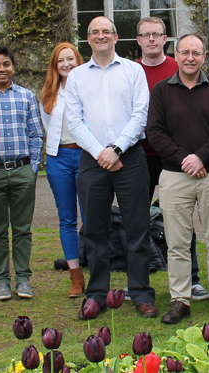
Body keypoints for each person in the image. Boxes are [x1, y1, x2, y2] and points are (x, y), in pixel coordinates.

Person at [65, 16, 158, 318]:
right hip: (92, 160)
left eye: (106, 31)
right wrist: (99, 152)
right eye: (95, 32)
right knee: (94, 229)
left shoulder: (133, 71)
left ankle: (141, 293)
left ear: (116, 37)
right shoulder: (77, 76)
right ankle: (96, 295)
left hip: (129, 158)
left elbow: (140, 113)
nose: (101, 36)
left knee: (137, 228)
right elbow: (75, 120)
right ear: (88, 39)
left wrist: (117, 149)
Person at [147, 34, 209, 324]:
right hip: (175, 177)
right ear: (177, 55)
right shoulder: (162, 90)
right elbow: (155, 132)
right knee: (176, 242)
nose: (191, 57)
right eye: (185, 52)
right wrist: (185, 160)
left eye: (196, 53)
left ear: (205, 56)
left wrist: (201, 157)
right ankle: (180, 299)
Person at [135, 16, 209, 301]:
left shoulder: (178, 66)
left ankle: (191, 279)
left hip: (176, 159)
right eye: (146, 35)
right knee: (137, 220)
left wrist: (188, 157)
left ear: (166, 39)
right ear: (139, 40)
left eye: (157, 34)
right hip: (139, 156)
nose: (152, 39)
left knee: (181, 221)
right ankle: (139, 281)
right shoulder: (131, 71)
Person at [0, 46, 44, 301]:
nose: (1, 69)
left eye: (6, 64)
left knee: (23, 229)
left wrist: (33, 168)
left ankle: (23, 279)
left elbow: (36, 133)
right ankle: (2, 281)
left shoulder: (26, 96)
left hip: (21, 171)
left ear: (13, 67)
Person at [39, 42, 85, 298]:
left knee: (91, 216)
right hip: (59, 158)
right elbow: (49, 128)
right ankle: (76, 277)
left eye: (71, 59)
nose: (66, 64)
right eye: (61, 61)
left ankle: (100, 270)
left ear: (78, 61)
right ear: (55, 66)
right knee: (67, 218)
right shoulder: (49, 93)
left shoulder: (88, 89)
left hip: (86, 155)